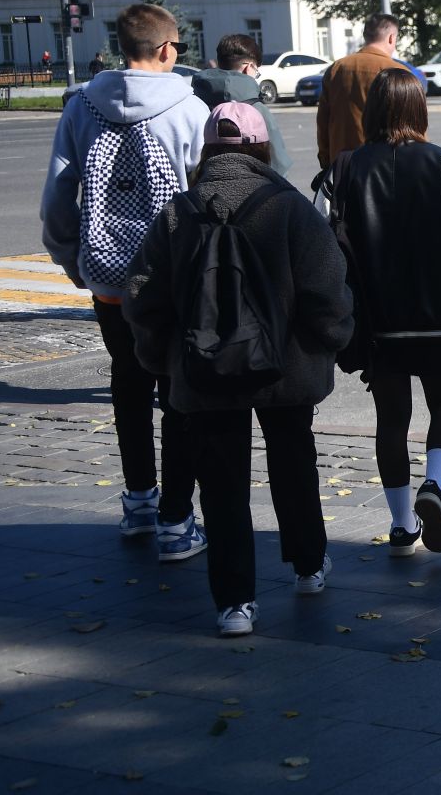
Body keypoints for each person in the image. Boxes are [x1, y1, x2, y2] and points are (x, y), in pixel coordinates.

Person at [125, 104, 354, 637]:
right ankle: (308, 565)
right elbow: (329, 291)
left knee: (221, 481)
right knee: (294, 462)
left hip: (204, 372)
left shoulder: (178, 213)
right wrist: (331, 343)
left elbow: (142, 296)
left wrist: (163, 360)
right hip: (287, 370)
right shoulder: (291, 209)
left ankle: (234, 603)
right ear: (260, 148)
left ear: (207, 152)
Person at [40, 2, 210, 561]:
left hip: (110, 280)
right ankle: (177, 519)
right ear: (166, 50)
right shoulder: (189, 107)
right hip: (173, 280)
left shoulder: (83, 105)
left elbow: (58, 199)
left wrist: (77, 262)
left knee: (128, 384)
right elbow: (206, 195)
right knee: (177, 392)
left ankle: (139, 500)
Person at [330, 69, 441, 556]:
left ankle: (403, 525)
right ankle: (436, 485)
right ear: (419, 110)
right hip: (440, 315)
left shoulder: (346, 169)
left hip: (377, 323)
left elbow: (326, 249)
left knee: (391, 420)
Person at [192, 34, 291, 177]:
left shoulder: (194, 103)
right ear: (249, 67)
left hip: (203, 191)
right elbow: (278, 165)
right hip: (254, 192)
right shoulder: (257, 110)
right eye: (256, 72)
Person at [317, 12, 401, 169]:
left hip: (343, 167)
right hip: (387, 167)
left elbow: (323, 121)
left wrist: (326, 162)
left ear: (365, 36)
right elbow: (413, 125)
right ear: (391, 38)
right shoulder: (399, 72)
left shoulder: (336, 69)